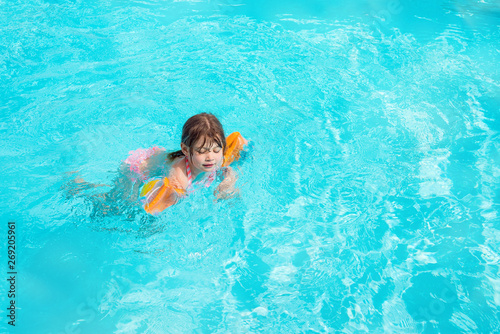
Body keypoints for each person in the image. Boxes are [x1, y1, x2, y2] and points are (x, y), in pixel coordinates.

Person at [125, 113, 248, 215]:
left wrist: (228, 181)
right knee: (121, 206)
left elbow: (228, 168)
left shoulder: (217, 159)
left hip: (161, 159)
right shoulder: (179, 175)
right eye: (201, 151)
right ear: (185, 150)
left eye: (216, 150)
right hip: (137, 168)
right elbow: (164, 203)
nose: (210, 158)